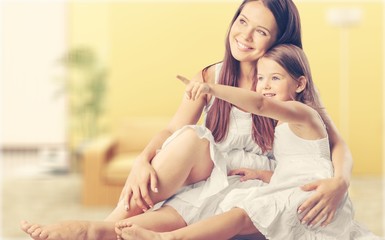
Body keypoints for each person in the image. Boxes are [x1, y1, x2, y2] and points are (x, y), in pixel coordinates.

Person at [20, 0, 352, 239]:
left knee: (167, 222)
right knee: (191, 137)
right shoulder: (211, 74)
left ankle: (97, 232)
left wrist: (341, 182)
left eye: (260, 31)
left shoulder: (287, 84)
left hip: (255, 181)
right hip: (211, 172)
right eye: (241, 22)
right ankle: (107, 222)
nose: (245, 36)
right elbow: (172, 129)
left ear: (277, 40)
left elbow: (334, 143)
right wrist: (143, 159)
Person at [114, 43, 383, 240]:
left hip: (313, 192)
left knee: (245, 213)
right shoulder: (285, 123)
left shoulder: (303, 112)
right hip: (292, 186)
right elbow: (297, 165)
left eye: (275, 78)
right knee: (243, 210)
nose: (265, 85)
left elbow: (260, 104)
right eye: (261, 79)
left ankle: (168, 238)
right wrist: (264, 175)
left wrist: (212, 89)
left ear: (300, 84)